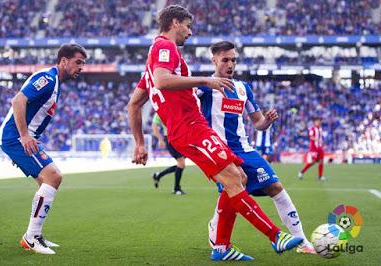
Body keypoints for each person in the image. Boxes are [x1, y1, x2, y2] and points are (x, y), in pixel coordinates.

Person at [128, 5, 302, 262]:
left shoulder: (152, 61)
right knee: (234, 178)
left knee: (238, 177)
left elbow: (134, 104)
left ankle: (221, 247)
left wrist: (139, 143)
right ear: (175, 22)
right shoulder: (165, 48)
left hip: (190, 128)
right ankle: (275, 235)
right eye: (187, 26)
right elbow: (164, 80)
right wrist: (204, 81)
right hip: (189, 128)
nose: (190, 32)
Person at [198, 41, 315, 255]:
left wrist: (267, 122)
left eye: (233, 60)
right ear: (214, 60)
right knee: (235, 187)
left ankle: (302, 241)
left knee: (276, 187)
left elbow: (258, 123)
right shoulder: (204, 87)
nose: (230, 64)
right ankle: (221, 235)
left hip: (245, 149)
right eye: (225, 60)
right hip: (219, 151)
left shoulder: (243, 89)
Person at [0, 44, 87, 255]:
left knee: (44, 182)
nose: (81, 67)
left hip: (22, 138)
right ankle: (31, 238)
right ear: (63, 61)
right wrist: (24, 136)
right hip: (16, 137)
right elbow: (18, 100)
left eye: (83, 63)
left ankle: (35, 234)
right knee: (54, 177)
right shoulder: (47, 80)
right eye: (78, 62)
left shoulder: (55, 82)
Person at [151, 112, 186, 195]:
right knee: (181, 164)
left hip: (180, 138)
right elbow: (154, 125)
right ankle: (176, 188)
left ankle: (158, 175)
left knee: (180, 165)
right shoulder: (160, 110)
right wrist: (160, 139)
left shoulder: (175, 108)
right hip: (171, 139)